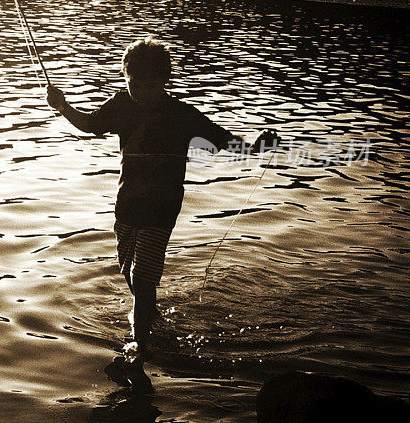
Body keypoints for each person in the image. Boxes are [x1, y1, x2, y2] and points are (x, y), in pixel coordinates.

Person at [46, 36, 278, 382]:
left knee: (142, 276)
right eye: (134, 83)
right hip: (127, 204)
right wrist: (63, 107)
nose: (141, 90)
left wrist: (257, 148)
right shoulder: (122, 104)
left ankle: (139, 344)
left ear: (165, 81)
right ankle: (147, 314)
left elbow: (221, 139)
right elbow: (91, 125)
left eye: (150, 85)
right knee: (128, 270)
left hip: (162, 206)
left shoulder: (180, 114)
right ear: (126, 78)